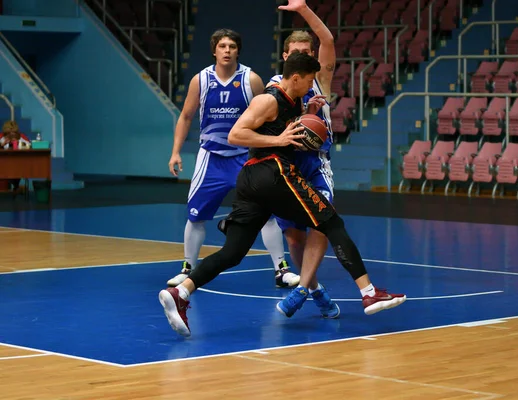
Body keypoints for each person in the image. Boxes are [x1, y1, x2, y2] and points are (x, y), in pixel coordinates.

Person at [158, 52, 406, 338]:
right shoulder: (268, 99)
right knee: (330, 222)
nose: (313, 84)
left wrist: (308, 114)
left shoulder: (296, 102)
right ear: (297, 77)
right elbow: (236, 134)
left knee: (233, 252)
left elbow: (291, 131)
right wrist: (278, 140)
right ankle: (369, 292)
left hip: (254, 182)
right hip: (271, 172)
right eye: (310, 79)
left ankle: (181, 292)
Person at [166, 28, 300, 289]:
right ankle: (188, 268)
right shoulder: (200, 80)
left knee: (268, 214)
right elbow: (185, 116)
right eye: (222, 46)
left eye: (232, 46)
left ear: (238, 50)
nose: (227, 50)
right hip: (211, 157)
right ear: (214, 50)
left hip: (245, 157)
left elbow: (266, 117)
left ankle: (281, 270)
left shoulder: (251, 80)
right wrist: (175, 151)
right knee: (195, 215)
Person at [267, 0, 341, 318]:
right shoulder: (274, 86)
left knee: (322, 222)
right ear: (285, 57)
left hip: (316, 162)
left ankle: (300, 290)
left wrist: (304, 10)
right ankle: (314, 288)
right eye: (294, 52)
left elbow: (328, 41)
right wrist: (305, 113)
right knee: (294, 237)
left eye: (305, 52)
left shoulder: (320, 79)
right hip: (287, 163)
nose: (301, 56)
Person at [0, 120, 31, 194]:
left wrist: (18, 142)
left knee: (18, 167)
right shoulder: (1, 137)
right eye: (8, 133)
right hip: (3, 163)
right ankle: (15, 186)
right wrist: (2, 145)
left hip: (18, 162)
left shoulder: (21, 137)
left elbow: (29, 146)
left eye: (13, 133)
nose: (11, 135)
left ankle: (16, 186)